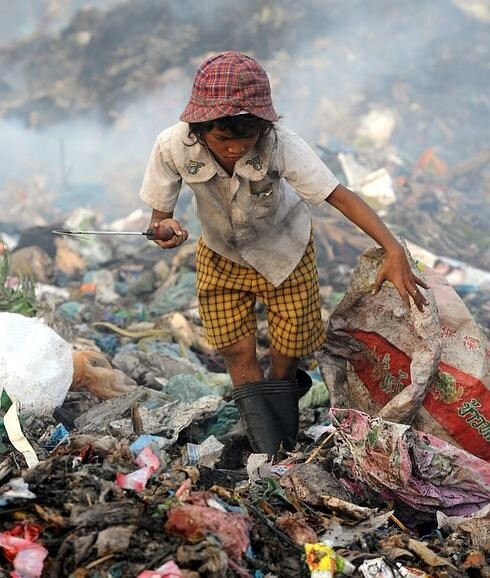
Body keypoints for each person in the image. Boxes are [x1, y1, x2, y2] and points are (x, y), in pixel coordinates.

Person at [139, 51, 428, 455]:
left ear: (264, 128)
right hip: (222, 254)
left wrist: (392, 247)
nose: (237, 149)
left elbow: (339, 196)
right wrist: (165, 231)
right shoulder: (172, 146)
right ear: (199, 128)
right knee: (236, 349)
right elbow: (161, 218)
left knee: (289, 348)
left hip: (285, 253)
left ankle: (282, 418)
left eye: (248, 139)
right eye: (224, 140)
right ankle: (268, 448)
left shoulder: (282, 144)